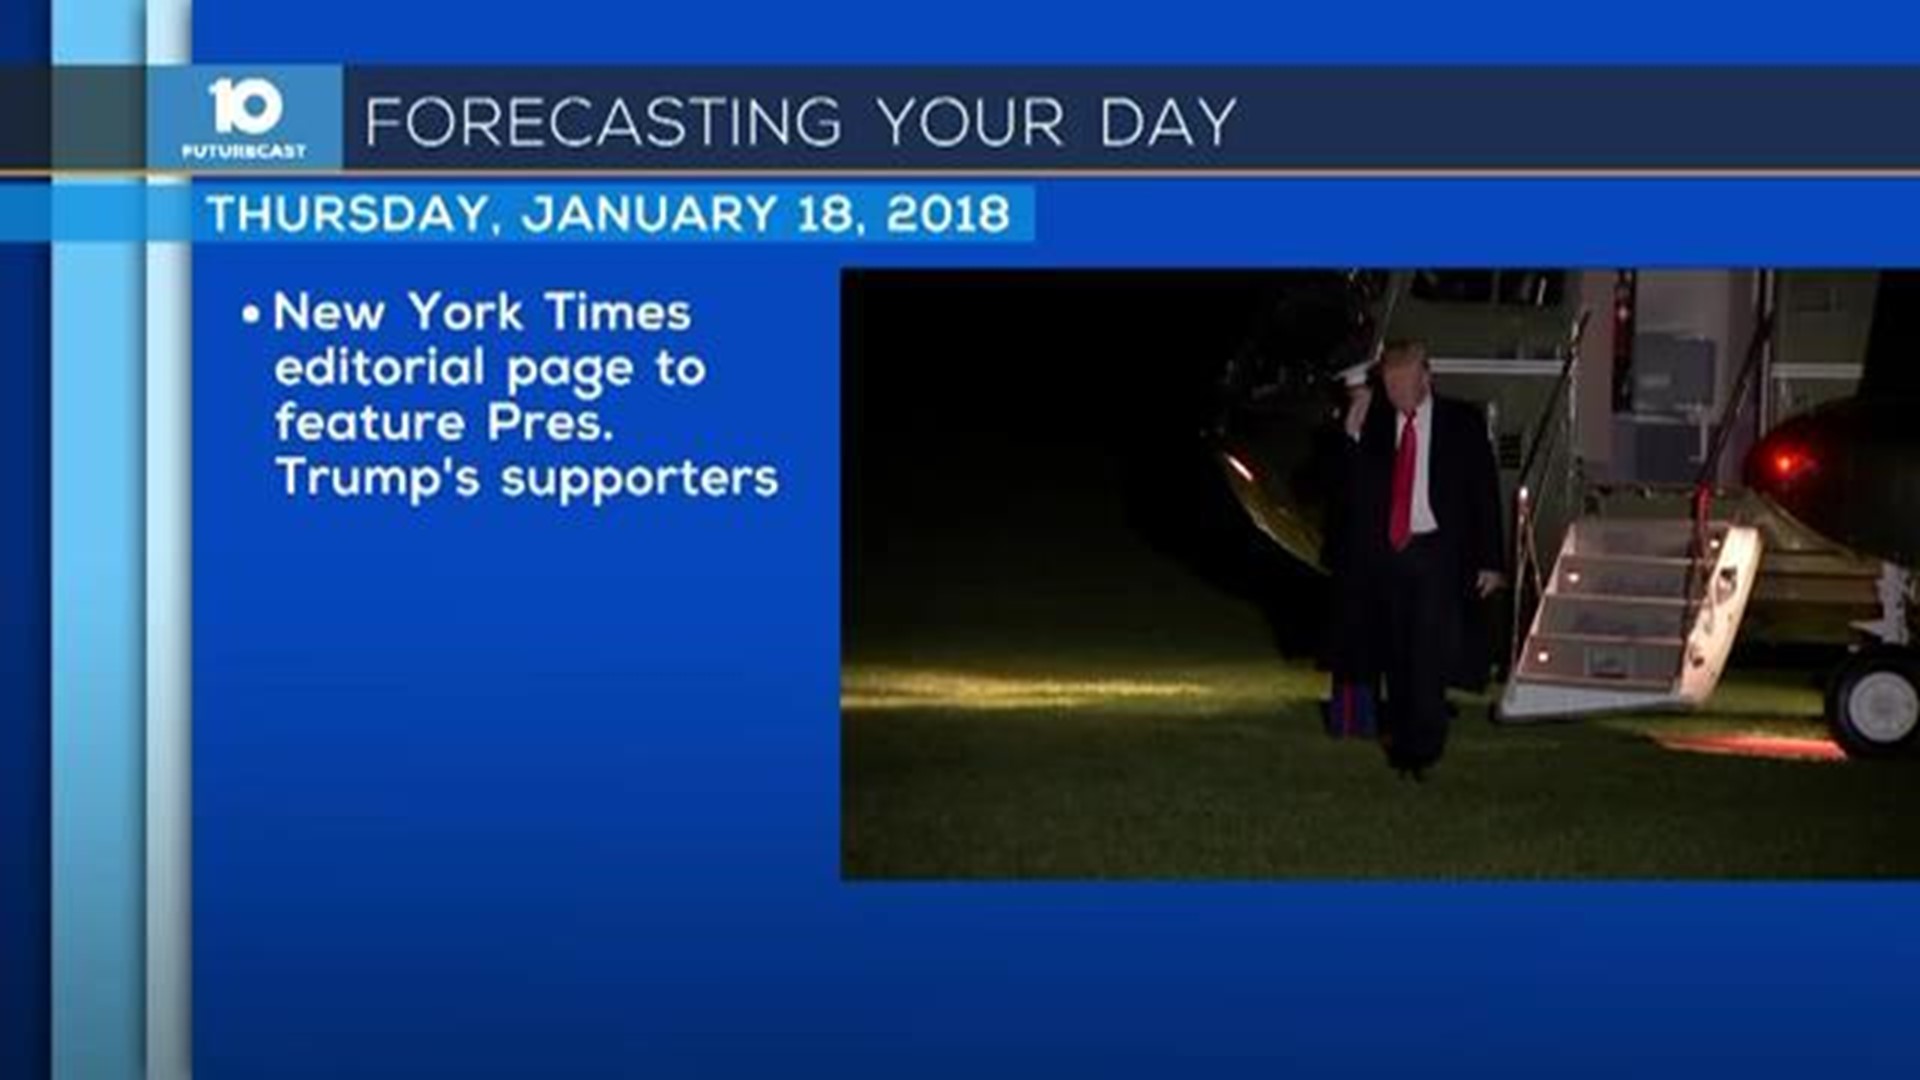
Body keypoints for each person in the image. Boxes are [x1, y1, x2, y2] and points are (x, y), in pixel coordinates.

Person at [1339, 340, 1506, 781]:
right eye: (1390, 388)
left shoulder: (1461, 423)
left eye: (1404, 387)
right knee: (1396, 651)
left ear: (1426, 378)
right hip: (1391, 554)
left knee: (1429, 652)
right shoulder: (1377, 421)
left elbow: (1483, 493)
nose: (1398, 397)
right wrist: (1352, 432)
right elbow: (1354, 488)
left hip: (1437, 553)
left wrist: (1491, 561)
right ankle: (1403, 739)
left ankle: (1423, 749)